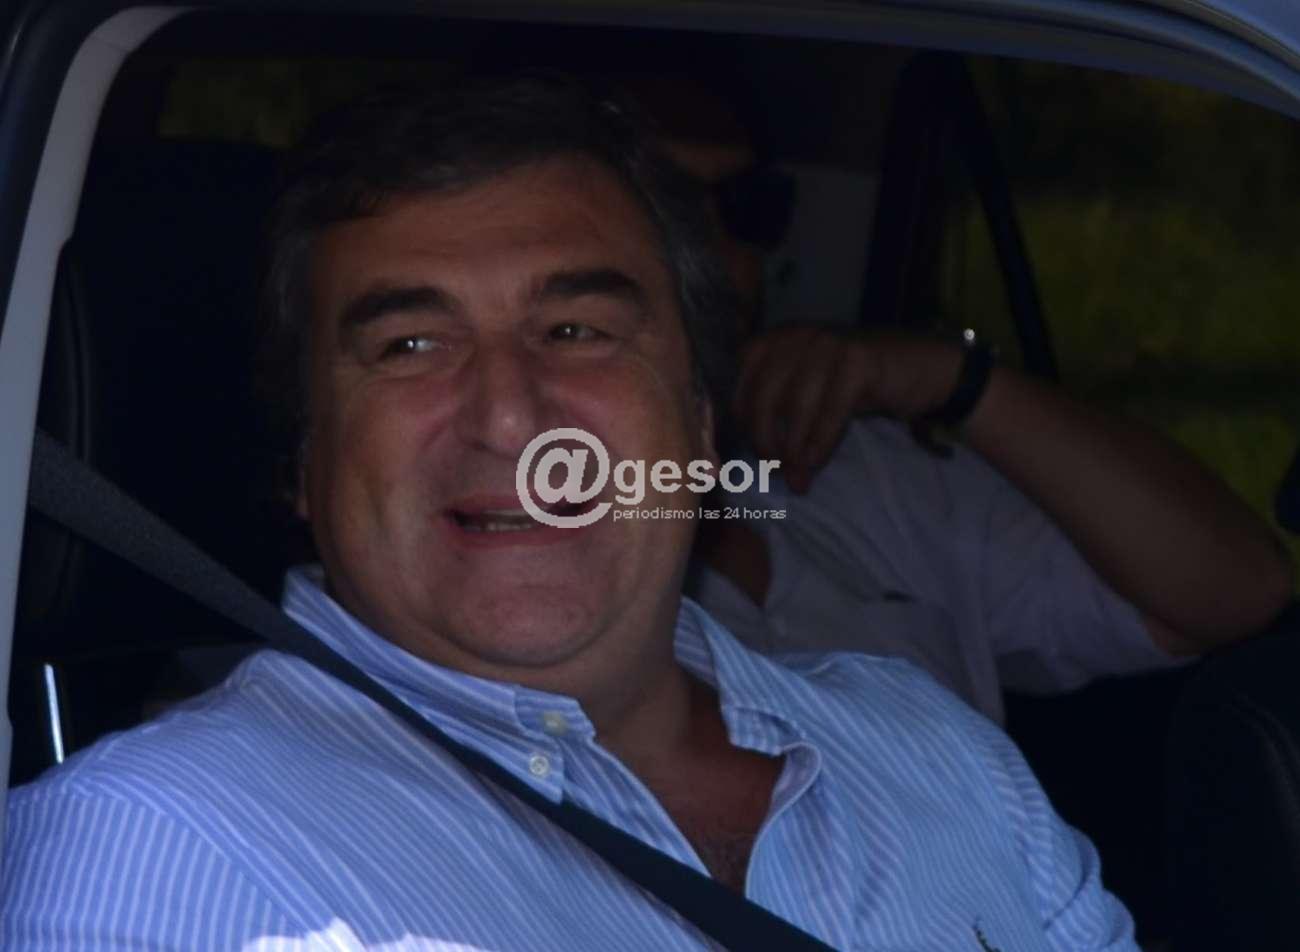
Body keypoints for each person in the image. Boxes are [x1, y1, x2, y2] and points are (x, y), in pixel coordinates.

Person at [1, 74, 1138, 949]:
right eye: (410, 344)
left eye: (577, 330)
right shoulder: (155, 849)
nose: (509, 415)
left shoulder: (937, 751)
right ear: (303, 464)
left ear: (701, 426)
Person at [626, 74, 1295, 722]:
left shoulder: (859, 471)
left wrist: (957, 382)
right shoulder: (573, 546)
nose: (719, 254)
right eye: (670, 211)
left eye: (746, 206)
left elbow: (1239, 588)